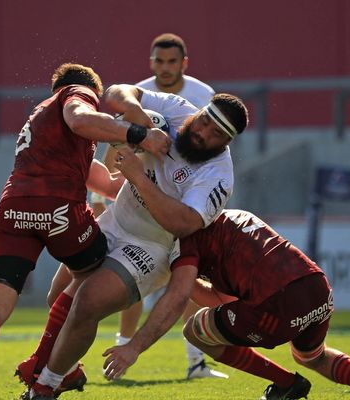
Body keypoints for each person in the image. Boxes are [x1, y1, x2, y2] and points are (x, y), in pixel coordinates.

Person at [0, 63, 171, 400]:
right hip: (56, 208)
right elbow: (80, 118)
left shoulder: (41, 121)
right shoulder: (76, 95)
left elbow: (109, 186)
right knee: (95, 270)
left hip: (12, 209)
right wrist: (139, 135)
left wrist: (145, 172)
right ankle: (42, 362)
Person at [19, 84, 249, 399]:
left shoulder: (218, 176)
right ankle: (69, 371)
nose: (204, 133)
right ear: (200, 111)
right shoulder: (177, 108)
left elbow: (182, 224)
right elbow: (116, 93)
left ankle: (44, 386)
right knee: (57, 297)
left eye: (216, 134)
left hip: (152, 248)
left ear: (226, 143)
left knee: (85, 302)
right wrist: (137, 118)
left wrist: (137, 176)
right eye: (206, 121)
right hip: (116, 219)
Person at [101, 209, 350, 400]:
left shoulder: (190, 240)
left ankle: (286, 384)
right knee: (312, 355)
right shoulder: (237, 215)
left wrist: (179, 279)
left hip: (275, 305)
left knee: (196, 331)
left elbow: (214, 301)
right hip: (317, 287)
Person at [109, 32, 226, 380]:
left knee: (186, 280)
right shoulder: (139, 91)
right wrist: (109, 184)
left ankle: (196, 362)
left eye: (172, 61)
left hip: (183, 207)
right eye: (159, 61)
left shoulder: (203, 95)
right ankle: (120, 349)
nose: (165, 68)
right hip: (138, 198)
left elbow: (218, 150)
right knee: (126, 280)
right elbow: (117, 133)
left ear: (184, 63)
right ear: (151, 63)